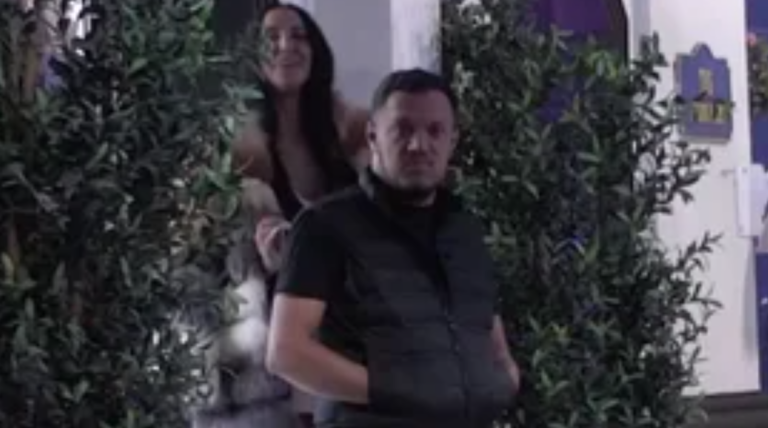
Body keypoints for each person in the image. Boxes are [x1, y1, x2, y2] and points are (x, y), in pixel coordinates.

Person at [266, 68, 521, 428]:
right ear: (373, 135)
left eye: (435, 131)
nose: (419, 145)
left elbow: (486, 326)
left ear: (452, 141)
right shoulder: (324, 226)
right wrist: (395, 391)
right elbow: (287, 353)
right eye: (403, 129)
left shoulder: (465, 229)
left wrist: (505, 380)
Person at [195, 2, 368, 427]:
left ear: (316, 51)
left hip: (356, 308)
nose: (285, 46)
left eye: (297, 35)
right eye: (270, 38)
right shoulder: (240, 144)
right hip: (280, 320)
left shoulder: (351, 130)